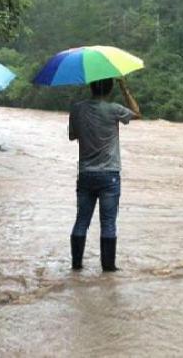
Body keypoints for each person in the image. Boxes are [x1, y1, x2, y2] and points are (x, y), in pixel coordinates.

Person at [68, 78, 140, 272]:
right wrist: (125, 87)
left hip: (85, 173)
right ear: (110, 89)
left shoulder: (76, 109)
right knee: (108, 222)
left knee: (81, 220)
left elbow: (72, 136)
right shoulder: (114, 109)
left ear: (91, 86)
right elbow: (137, 113)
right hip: (109, 174)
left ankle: (76, 265)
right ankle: (108, 268)